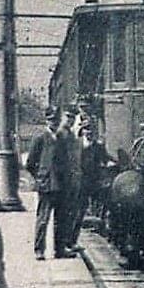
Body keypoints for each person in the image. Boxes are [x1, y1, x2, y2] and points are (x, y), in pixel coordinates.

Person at [25, 106, 73, 260]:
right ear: (46, 120)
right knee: (43, 219)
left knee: (61, 219)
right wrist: (40, 177)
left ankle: (59, 250)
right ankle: (39, 250)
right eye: (51, 120)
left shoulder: (61, 138)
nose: (53, 123)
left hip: (61, 185)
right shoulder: (39, 137)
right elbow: (30, 163)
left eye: (56, 120)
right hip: (46, 185)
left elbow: (66, 161)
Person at [75, 118, 114, 241]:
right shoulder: (77, 145)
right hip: (81, 181)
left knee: (105, 200)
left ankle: (102, 225)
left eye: (91, 130)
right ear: (83, 131)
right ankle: (73, 236)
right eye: (86, 130)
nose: (89, 132)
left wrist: (112, 162)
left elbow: (106, 158)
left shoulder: (98, 146)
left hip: (94, 180)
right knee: (80, 208)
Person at [55, 107, 83, 254]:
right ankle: (62, 246)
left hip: (72, 178)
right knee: (64, 214)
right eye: (68, 117)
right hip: (65, 180)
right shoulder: (61, 134)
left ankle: (68, 243)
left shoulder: (70, 134)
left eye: (72, 118)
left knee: (70, 212)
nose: (70, 120)